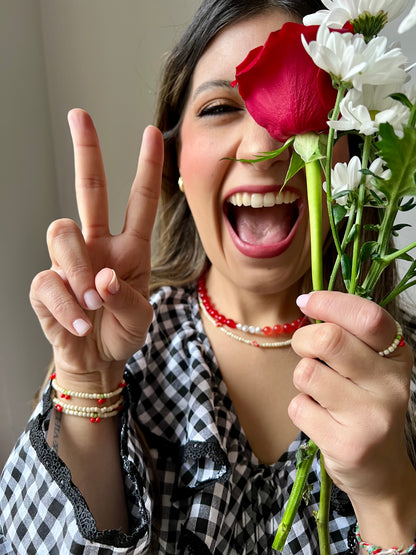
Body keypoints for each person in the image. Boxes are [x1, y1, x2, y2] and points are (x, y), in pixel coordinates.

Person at [1, 0, 415, 553]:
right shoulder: (121, 349)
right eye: (221, 108)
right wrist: (88, 383)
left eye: (308, 101)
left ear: (351, 149)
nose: (267, 144)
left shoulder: (400, 371)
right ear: (174, 158)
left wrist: (389, 495)